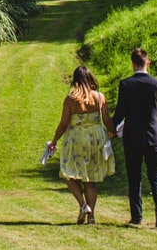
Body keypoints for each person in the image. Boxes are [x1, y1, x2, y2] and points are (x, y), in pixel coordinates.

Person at [45, 65, 116, 224]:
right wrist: (113, 133)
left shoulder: (71, 99)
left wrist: (55, 140)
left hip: (76, 138)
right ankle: (91, 216)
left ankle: (83, 205)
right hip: (96, 137)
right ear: (90, 78)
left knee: (68, 172)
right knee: (90, 180)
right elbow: (106, 120)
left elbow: (64, 124)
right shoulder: (99, 97)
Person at [111, 47, 157, 228]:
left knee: (134, 177)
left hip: (132, 136)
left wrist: (112, 128)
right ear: (147, 63)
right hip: (153, 134)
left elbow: (120, 112)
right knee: (156, 176)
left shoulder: (126, 84)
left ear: (133, 64)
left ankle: (137, 216)